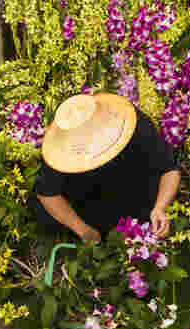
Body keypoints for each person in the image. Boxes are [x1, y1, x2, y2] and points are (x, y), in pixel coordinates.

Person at [34, 92, 181, 242]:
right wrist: (82, 229)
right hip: (87, 203)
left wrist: (159, 208)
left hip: (135, 191)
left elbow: (168, 168)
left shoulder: (131, 122)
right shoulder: (60, 146)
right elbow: (48, 193)